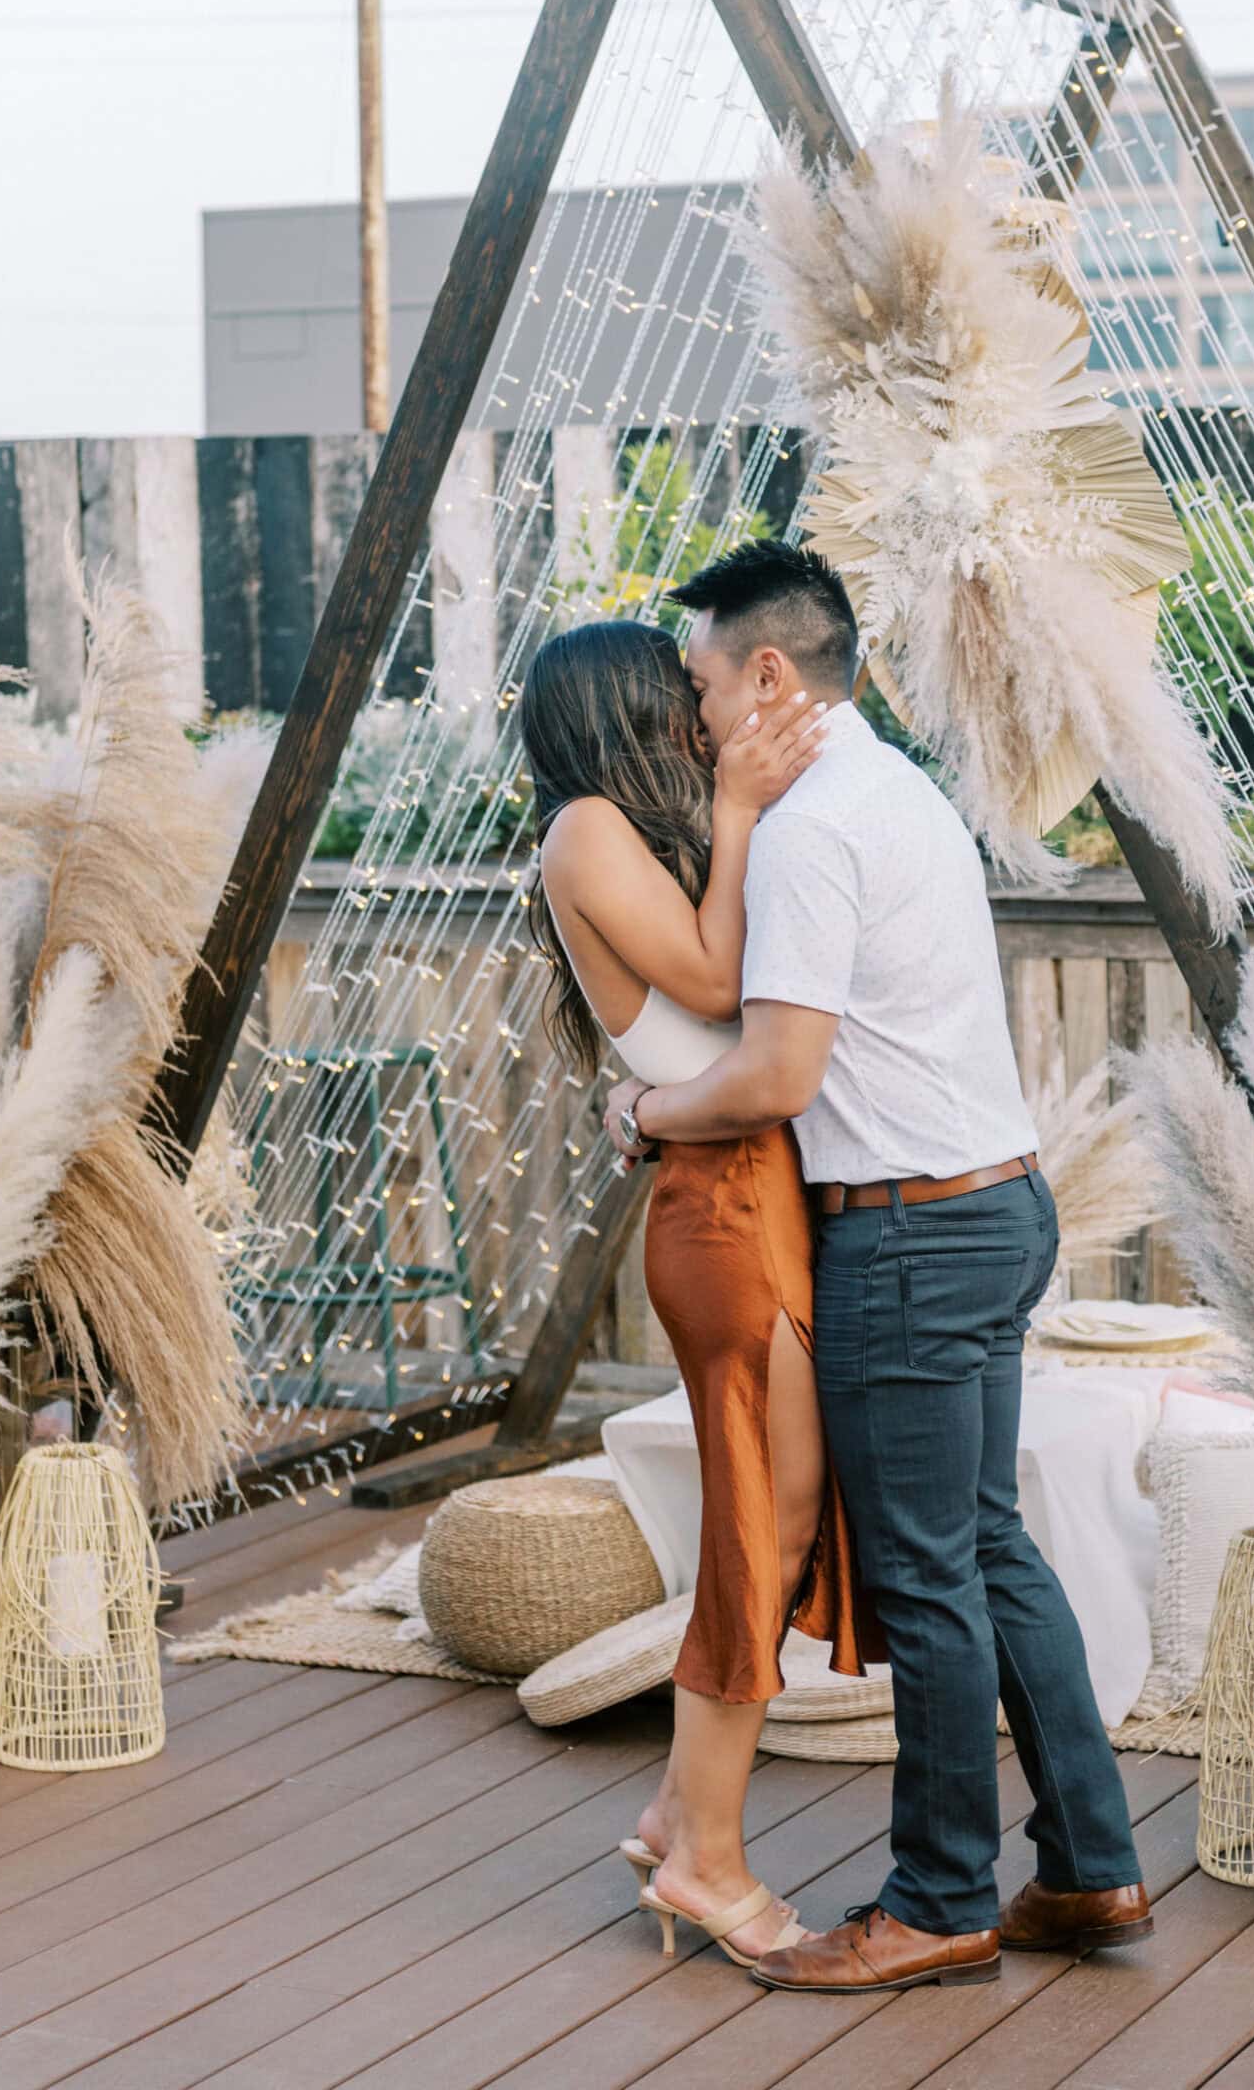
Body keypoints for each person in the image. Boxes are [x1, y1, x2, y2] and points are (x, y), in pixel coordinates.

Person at [608, 541, 1152, 1996]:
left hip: (906, 1234)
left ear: (767, 673)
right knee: (985, 1549)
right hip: (994, 1203)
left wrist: (645, 1112)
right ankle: (1093, 1870)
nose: (695, 712)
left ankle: (937, 1903)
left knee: (924, 1576)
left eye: (704, 680)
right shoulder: (892, 789)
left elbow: (776, 1073)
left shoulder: (806, 827)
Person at [520, 618, 871, 1971]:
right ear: (621, 709)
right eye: (680, 695)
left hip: (748, 1187)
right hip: (723, 1206)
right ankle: (711, 1865)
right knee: (760, 1532)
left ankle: (678, 1811)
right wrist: (732, 805)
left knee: (776, 1521)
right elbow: (722, 984)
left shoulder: (634, 833)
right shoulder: (586, 828)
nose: (703, 710)